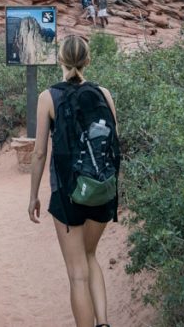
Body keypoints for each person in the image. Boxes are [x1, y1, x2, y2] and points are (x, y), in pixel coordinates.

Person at [28, 35, 118, 327]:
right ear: (88, 61)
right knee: (90, 256)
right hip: (102, 190)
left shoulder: (47, 97)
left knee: (77, 274)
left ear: (61, 60)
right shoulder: (104, 94)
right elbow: (114, 144)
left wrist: (33, 196)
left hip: (68, 194)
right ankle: (103, 322)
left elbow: (40, 152)